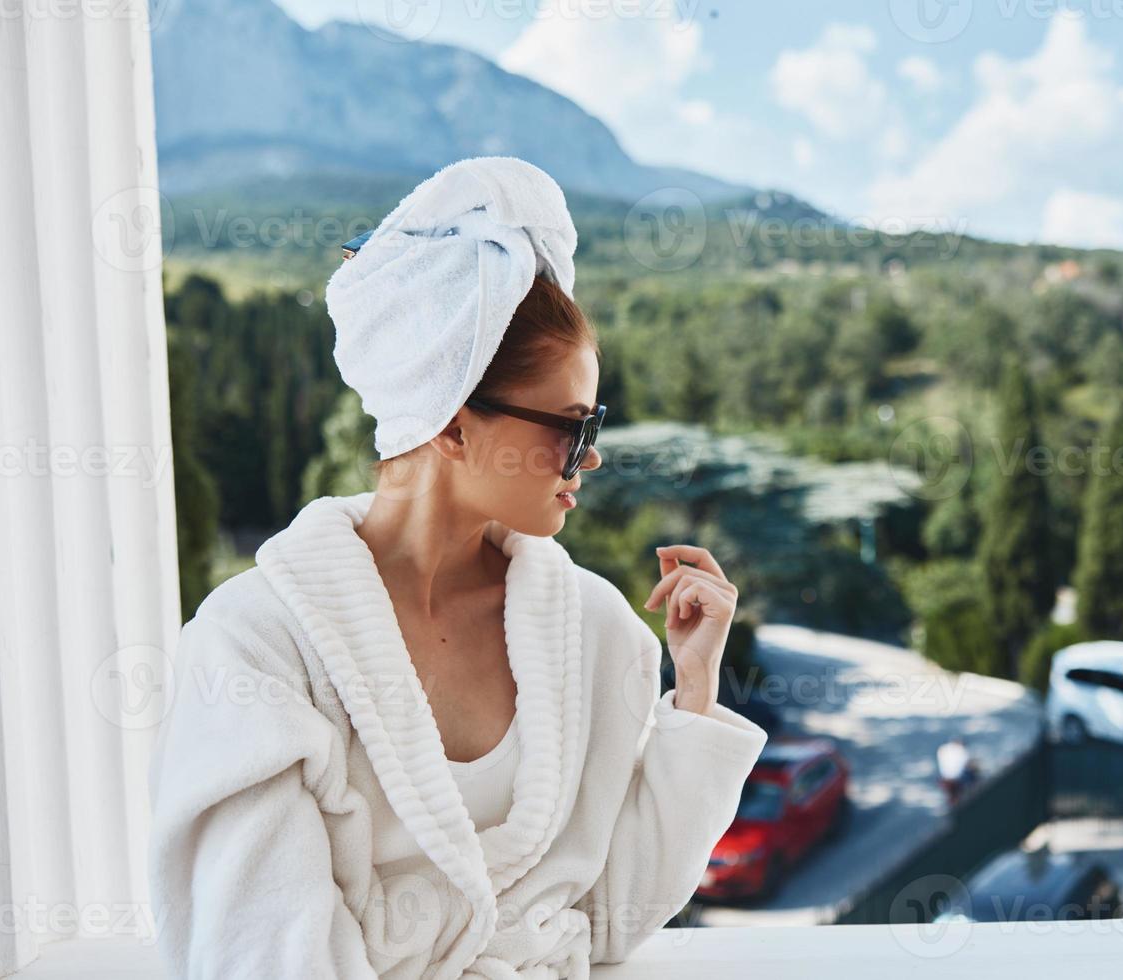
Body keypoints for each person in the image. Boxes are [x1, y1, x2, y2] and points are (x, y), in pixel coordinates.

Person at [146, 156, 769, 979]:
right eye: (570, 427)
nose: (591, 458)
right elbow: (263, 951)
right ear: (450, 420)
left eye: (596, 424)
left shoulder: (597, 629)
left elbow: (613, 918)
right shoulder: (255, 646)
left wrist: (694, 692)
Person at [937, 736, 973, 807]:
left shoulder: (943, 749)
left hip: (946, 780)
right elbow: (966, 764)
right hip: (957, 780)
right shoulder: (961, 750)